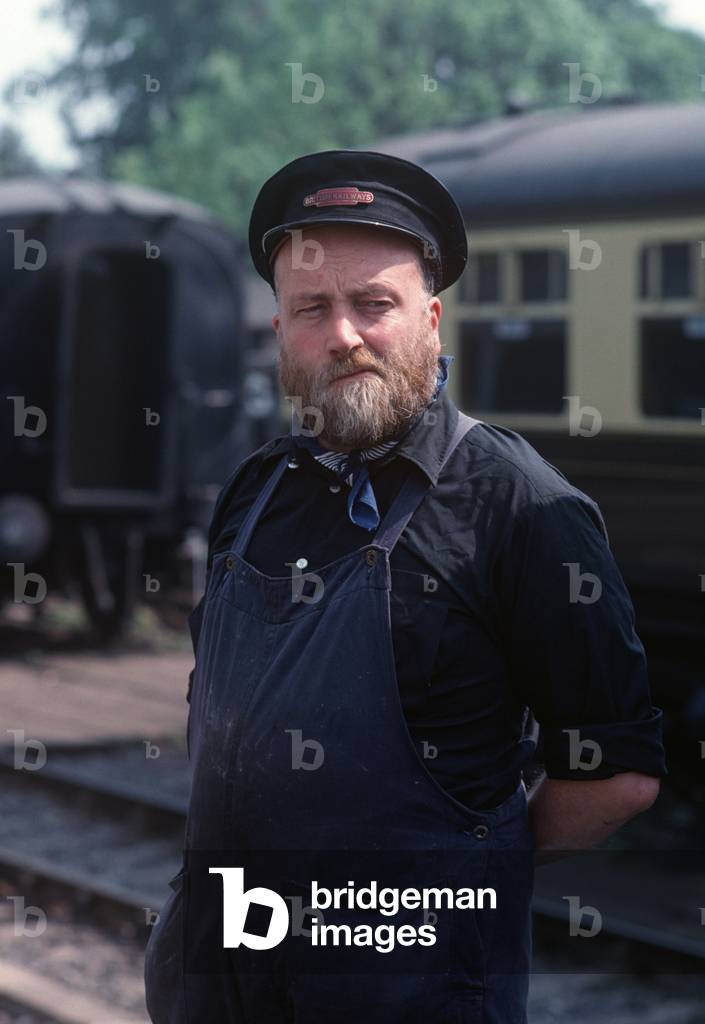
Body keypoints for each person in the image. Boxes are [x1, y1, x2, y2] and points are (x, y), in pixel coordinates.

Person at [145, 150, 667, 1024]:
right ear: (279, 330)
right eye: (313, 307)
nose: (343, 334)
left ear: (429, 320)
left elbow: (615, 776)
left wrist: (453, 872)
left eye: (373, 305)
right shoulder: (256, 487)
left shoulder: (522, 507)